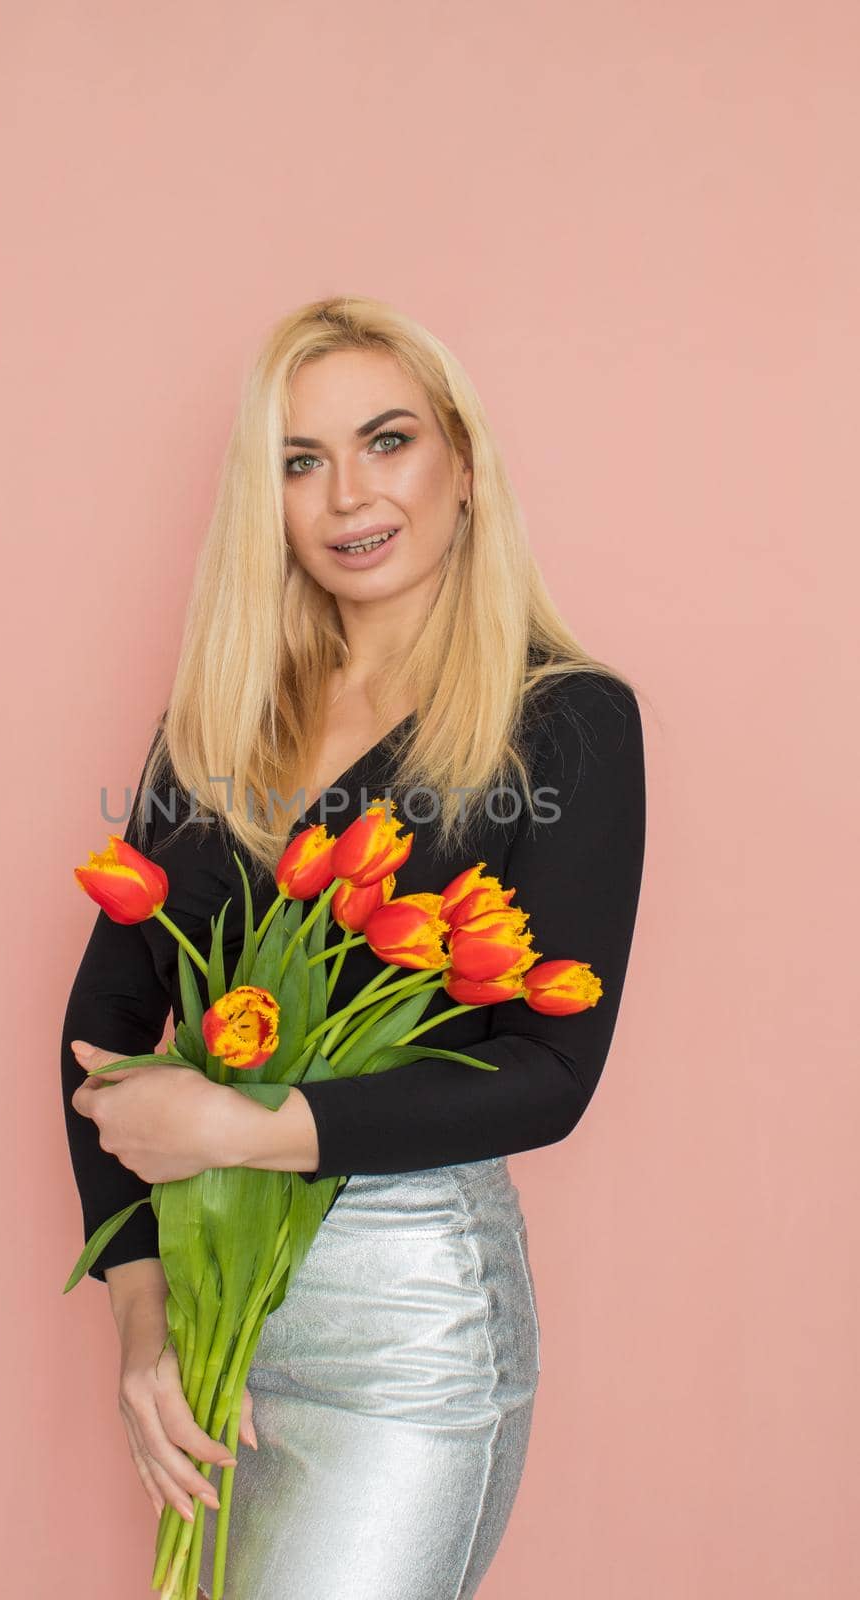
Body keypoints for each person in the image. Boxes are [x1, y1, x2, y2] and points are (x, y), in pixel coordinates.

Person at [60, 294, 646, 1600]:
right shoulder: (214, 726)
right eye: (300, 459)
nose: (346, 496)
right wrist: (144, 1325)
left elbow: (550, 1071)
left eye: (387, 442)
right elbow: (96, 1028)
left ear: (464, 464)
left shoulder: (566, 724)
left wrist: (239, 1129)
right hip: (215, 1319)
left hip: (404, 1331)